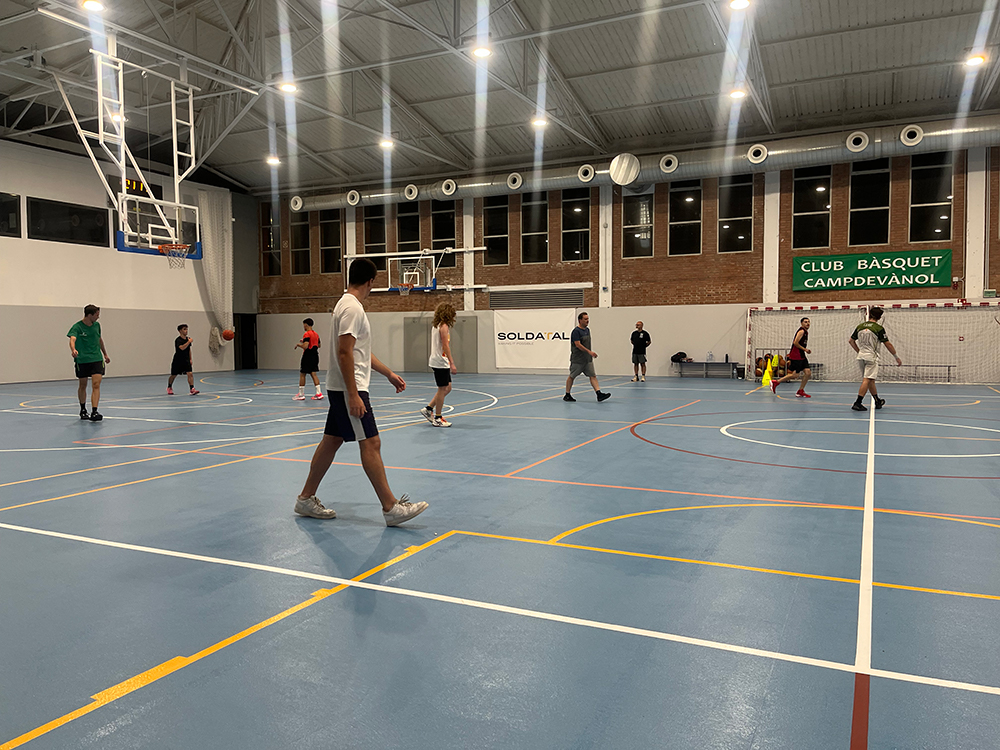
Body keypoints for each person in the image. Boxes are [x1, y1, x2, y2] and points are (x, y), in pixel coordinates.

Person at [293, 258, 428, 525]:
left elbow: (358, 352)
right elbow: (344, 353)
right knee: (371, 443)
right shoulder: (352, 308)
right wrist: (353, 394)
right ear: (370, 282)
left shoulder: (346, 305)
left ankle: (305, 498)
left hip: (342, 387)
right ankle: (390, 507)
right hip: (348, 388)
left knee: (331, 441)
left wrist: (388, 373)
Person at [848, 307, 902, 412]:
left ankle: (877, 400)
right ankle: (858, 402)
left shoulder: (860, 326)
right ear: (879, 317)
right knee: (867, 379)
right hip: (871, 357)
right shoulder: (878, 328)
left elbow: (851, 341)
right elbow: (887, 344)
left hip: (861, 356)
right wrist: (896, 357)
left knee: (870, 379)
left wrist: (859, 351)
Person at [67, 304, 111, 421]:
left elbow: (99, 339)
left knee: (96, 384)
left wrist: (105, 354)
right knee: (83, 385)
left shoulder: (97, 326)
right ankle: (83, 410)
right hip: (82, 359)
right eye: (96, 315)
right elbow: (72, 339)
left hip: (96, 358)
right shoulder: (77, 327)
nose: (98, 317)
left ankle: (94, 411)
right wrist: (73, 349)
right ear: (89, 315)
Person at [421, 302, 457, 427]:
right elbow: (445, 346)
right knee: (442, 389)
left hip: (439, 361)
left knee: (448, 388)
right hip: (440, 362)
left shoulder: (437, 325)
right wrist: (452, 362)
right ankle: (438, 417)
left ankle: (428, 408)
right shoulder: (443, 327)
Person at [564, 312, 611, 403]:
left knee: (592, 376)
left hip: (587, 360)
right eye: (585, 319)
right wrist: (589, 352)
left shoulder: (587, 330)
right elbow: (578, 344)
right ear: (580, 320)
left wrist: (589, 354)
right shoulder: (576, 331)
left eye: (588, 319)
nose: (587, 321)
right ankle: (567, 394)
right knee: (572, 376)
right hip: (578, 359)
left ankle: (599, 394)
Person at [770, 317, 812, 398]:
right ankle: (776, 382)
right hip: (797, 356)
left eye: (808, 322)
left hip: (801, 355)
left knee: (808, 373)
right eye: (805, 322)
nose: (807, 323)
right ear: (801, 323)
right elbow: (795, 342)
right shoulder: (801, 331)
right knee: (795, 375)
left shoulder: (805, 332)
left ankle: (800, 391)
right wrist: (805, 349)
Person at [293, 318, 324, 401]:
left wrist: (299, 345)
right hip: (315, 356)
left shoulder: (307, 334)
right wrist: (304, 341)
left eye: (304, 325)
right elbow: (319, 345)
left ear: (306, 325)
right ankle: (319, 393)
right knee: (314, 374)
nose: (303, 326)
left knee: (302, 374)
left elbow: (305, 346)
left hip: (307, 356)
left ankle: (301, 394)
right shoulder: (316, 334)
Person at [167, 324, 199, 396]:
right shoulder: (178, 340)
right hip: (178, 360)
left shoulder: (188, 339)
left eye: (187, 329)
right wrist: (189, 342)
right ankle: (169, 387)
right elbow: (182, 348)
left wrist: (190, 359)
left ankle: (192, 388)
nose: (186, 331)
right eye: (184, 329)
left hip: (186, 359)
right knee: (173, 375)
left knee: (190, 373)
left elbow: (188, 349)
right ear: (180, 331)